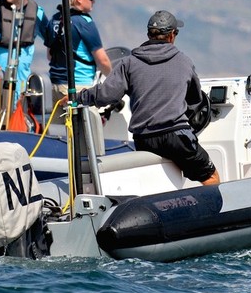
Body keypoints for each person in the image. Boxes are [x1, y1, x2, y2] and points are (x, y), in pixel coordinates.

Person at [70, 10, 220, 186]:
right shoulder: (184, 62)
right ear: (172, 35)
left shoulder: (130, 63)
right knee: (210, 177)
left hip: (144, 139)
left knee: (158, 181)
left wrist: (79, 97)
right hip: (176, 137)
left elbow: (106, 95)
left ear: (149, 35)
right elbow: (195, 100)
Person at [47, 0, 112, 107]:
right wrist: (113, 80)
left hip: (56, 85)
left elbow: (50, 55)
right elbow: (102, 60)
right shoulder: (84, 22)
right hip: (78, 87)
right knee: (87, 126)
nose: (94, 1)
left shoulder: (55, 19)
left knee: (62, 126)